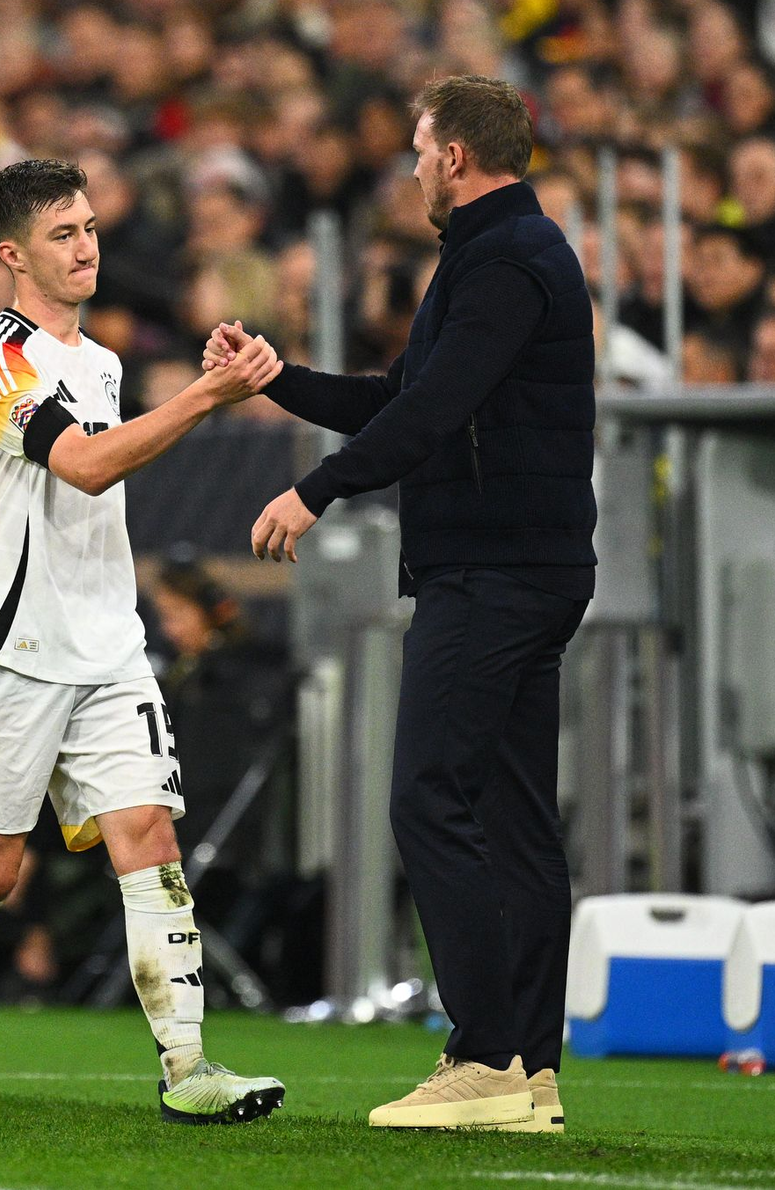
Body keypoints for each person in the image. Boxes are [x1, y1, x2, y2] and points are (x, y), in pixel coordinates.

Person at [205, 75, 596, 1132]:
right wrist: (278, 378)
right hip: (518, 569)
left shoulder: (507, 258)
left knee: (429, 795)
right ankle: (530, 1071)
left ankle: (485, 1055)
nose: (414, 167)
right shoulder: (496, 255)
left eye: (422, 150)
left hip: (496, 573)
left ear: (457, 157)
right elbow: (400, 397)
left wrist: (314, 489)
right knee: (513, 820)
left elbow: (432, 410)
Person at [0, 158, 286, 1125]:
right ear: (13, 254)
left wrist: (198, 388)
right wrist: (204, 398)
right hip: (9, 644)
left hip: (107, 644)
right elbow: (89, 467)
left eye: (92, 226)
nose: (87, 244)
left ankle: (188, 1066)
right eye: (63, 233)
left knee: (149, 834)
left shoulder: (103, 364)